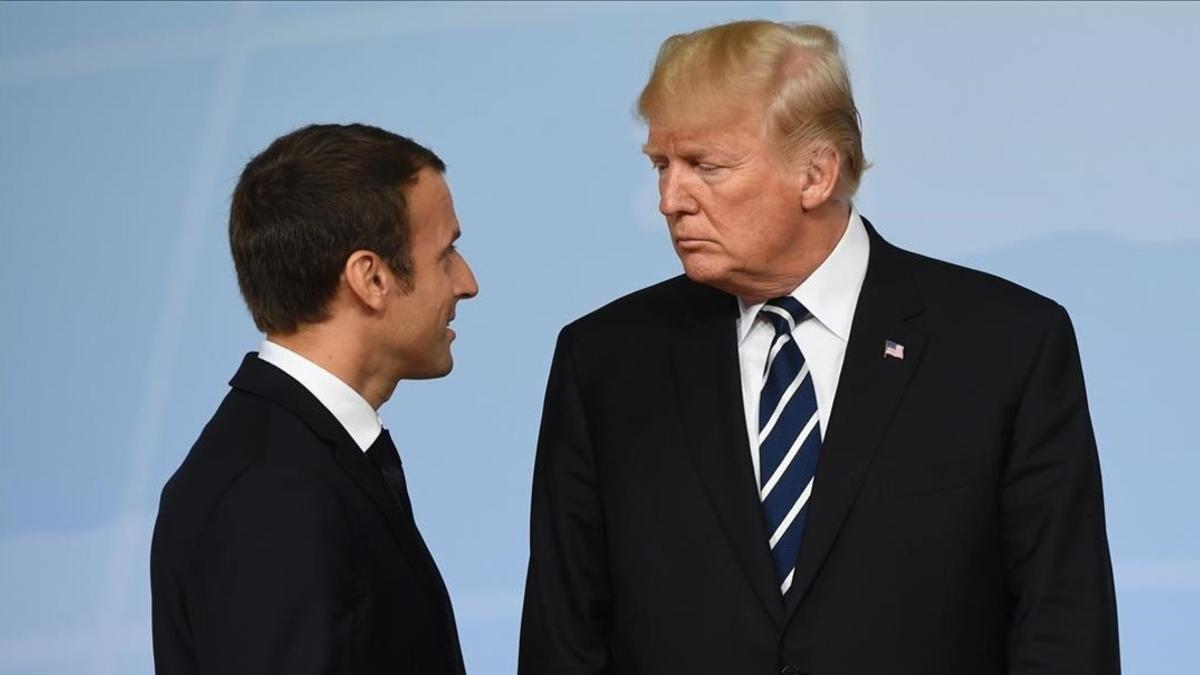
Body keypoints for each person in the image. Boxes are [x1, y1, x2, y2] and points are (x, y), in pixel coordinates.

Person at [519, 20, 1119, 675]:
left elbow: (1064, 629)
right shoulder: (603, 363)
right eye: (661, 164)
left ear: (816, 173)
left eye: (704, 166)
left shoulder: (1007, 345)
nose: (669, 199)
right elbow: (565, 638)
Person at [151, 123, 478, 674]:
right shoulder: (271, 494)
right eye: (446, 254)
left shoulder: (291, 462)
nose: (466, 282)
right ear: (369, 278)